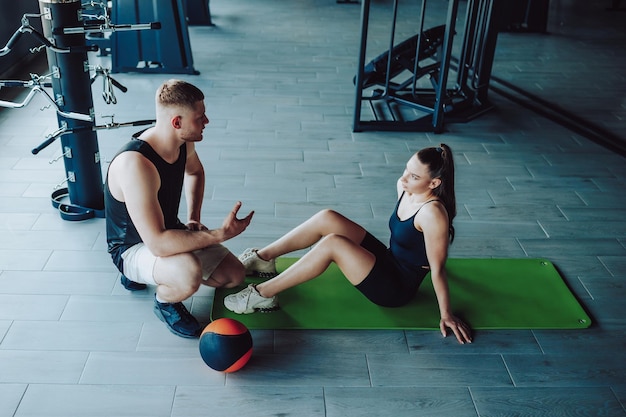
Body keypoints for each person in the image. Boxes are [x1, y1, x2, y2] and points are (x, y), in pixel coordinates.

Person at [224, 144, 472, 344]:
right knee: (327, 217)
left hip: (396, 287)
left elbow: (438, 270)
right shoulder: (405, 188)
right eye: (407, 169)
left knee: (333, 243)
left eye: (414, 176)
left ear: (434, 183)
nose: (404, 178)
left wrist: (446, 314)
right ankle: (264, 259)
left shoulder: (433, 214)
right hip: (389, 259)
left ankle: (264, 294)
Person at [105, 79, 254, 339]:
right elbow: (159, 246)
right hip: (133, 247)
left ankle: (153, 275)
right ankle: (164, 302)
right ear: (177, 122)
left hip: (166, 231)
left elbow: (195, 172)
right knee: (188, 273)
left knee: (233, 275)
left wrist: (193, 218)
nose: (206, 121)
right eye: (200, 117)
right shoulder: (136, 165)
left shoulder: (182, 142)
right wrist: (220, 234)